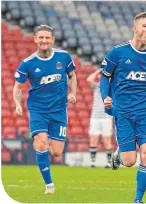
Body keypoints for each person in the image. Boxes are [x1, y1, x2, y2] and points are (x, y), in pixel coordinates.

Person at [100, 12, 146, 204]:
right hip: (123, 111)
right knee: (129, 161)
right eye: (145, 26)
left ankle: (138, 200)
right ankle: (119, 154)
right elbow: (104, 76)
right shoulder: (117, 53)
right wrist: (105, 96)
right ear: (135, 28)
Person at [13, 25, 77, 194]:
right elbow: (18, 88)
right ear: (35, 39)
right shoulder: (27, 64)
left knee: (56, 152)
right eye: (40, 37)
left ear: (52, 40)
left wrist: (73, 93)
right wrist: (18, 104)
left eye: (47, 38)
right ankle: (49, 186)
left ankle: (44, 149)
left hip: (59, 111)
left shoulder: (63, 57)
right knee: (41, 143)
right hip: (37, 110)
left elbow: (72, 76)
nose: (43, 41)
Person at [87, 68, 114, 168]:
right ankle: (92, 162)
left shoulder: (110, 87)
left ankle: (108, 162)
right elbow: (89, 79)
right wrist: (98, 71)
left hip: (106, 116)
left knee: (107, 140)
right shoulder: (96, 87)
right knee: (93, 139)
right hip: (95, 116)